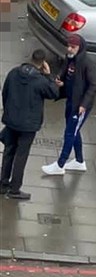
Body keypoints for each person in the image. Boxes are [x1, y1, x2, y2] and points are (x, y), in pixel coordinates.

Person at [1, 49, 59, 200]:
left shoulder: (14, 73)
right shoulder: (40, 81)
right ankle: (15, 189)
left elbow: (5, 92)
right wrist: (49, 75)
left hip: (12, 120)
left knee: (8, 150)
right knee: (21, 155)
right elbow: (54, 93)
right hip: (28, 125)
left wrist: (8, 111)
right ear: (43, 63)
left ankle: (3, 183)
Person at [42, 34, 96, 176]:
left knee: (69, 133)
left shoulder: (88, 63)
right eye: (69, 46)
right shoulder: (70, 59)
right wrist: (61, 82)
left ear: (80, 47)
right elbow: (66, 74)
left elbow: (93, 86)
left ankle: (60, 164)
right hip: (71, 100)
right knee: (74, 131)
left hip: (80, 105)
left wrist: (84, 105)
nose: (70, 49)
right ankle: (79, 161)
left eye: (73, 47)